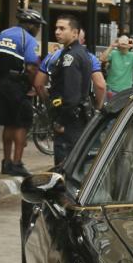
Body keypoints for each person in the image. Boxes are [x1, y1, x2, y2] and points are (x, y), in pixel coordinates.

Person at [0, 8, 43, 175]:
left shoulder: (3, 34)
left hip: (1, 81)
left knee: (8, 122)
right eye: (38, 26)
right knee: (22, 122)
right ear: (31, 25)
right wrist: (32, 87)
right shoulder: (28, 39)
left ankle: (6, 163)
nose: (38, 30)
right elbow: (30, 67)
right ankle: (17, 163)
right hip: (17, 84)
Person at [46, 14, 95, 167]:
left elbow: (71, 95)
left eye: (62, 28)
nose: (57, 32)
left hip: (69, 122)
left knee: (64, 169)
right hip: (74, 120)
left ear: (74, 33)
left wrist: (60, 121)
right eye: (56, 28)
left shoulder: (71, 57)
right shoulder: (75, 53)